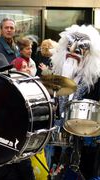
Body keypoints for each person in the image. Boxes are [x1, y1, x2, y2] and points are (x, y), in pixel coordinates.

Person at [49, 24, 100, 179]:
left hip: (88, 142)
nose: (72, 51)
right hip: (61, 142)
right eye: (69, 46)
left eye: (80, 48)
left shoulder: (96, 79)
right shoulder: (57, 77)